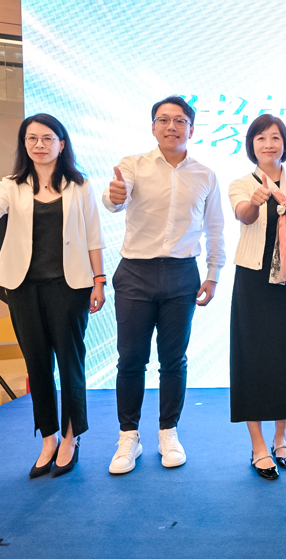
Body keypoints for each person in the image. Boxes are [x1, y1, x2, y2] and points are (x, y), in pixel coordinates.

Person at [0, 113, 105, 479]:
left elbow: (94, 236)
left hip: (70, 286)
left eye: (47, 138)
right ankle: (48, 439)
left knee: (70, 363)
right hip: (23, 288)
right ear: (24, 144)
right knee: (37, 364)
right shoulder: (12, 184)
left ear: (61, 144)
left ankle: (70, 439)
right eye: (32, 138)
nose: (39, 144)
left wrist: (99, 280)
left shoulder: (80, 185)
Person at [103, 95, 226, 475]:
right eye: (163, 119)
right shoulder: (133, 165)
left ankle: (168, 432)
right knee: (131, 359)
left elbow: (215, 228)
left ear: (192, 128)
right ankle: (128, 437)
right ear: (153, 126)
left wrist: (213, 273)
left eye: (180, 120)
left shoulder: (205, 175)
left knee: (174, 360)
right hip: (135, 273)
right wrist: (114, 197)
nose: (172, 126)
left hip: (181, 274)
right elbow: (114, 200)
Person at [228, 114, 286, 480]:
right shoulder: (241, 184)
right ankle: (258, 445)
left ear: (285, 143)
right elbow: (243, 215)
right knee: (252, 360)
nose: (269, 144)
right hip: (253, 283)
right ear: (251, 145)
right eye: (261, 138)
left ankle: (281, 438)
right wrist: (254, 202)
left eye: (276, 137)